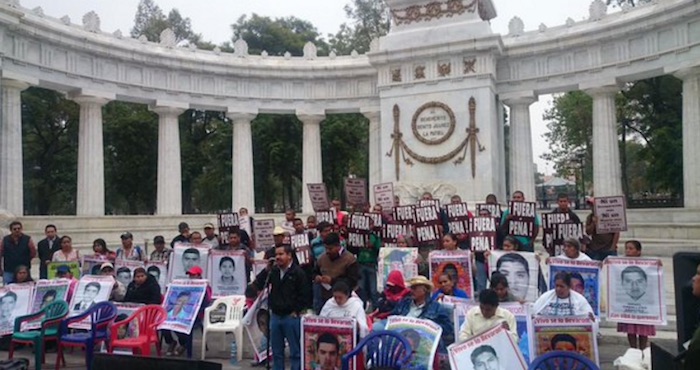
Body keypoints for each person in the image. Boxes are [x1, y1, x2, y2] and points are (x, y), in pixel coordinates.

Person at [252, 244, 310, 370]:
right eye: (276, 254)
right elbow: (258, 284)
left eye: (281, 254)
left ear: (289, 256)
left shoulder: (298, 273)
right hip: (276, 316)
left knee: (295, 351)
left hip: (291, 317)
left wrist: (296, 310)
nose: (277, 257)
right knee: (277, 351)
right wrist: (267, 269)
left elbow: (305, 294)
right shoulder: (273, 271)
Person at [390, 276, 453, 349]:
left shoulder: (436, 308)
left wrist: (430, 326)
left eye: (414, 288)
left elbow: (448, 328)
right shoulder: (404, 303)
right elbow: (392, 319)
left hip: (422, 342)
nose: (411, 291)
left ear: (424, 290)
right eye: (411, 288)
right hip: (401, 339)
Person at [163, 265, 212, 356]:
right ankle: (171, 342)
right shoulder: (186, 285)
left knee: (180, 324)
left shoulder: (205, 287)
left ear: (199, 276)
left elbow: (206, 302)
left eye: (193, 275)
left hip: (196, 314)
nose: (191, 277)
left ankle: (184, 343)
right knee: (164, 323)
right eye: (190, 275)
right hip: (180, 311)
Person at [617, 240, 656, 349]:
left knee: (643, 328)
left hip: (643, 303)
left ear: (638, 251)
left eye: (631, 248)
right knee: (630, 328)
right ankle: (633, 349)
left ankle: (643, 349)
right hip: (628, 302)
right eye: (626, 248)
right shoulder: (620, 264)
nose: (628, 251)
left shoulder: (647, 265)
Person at [313, 233, 360, 311]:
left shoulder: (349, 259)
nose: (327, 251)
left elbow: (352, 280)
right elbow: (315, 272)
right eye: (326, 248)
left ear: (338, 246)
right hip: (324, 298)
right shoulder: (322, 258)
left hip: (344, 299)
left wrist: (332, 281)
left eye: (330, 249)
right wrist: (316, 277)